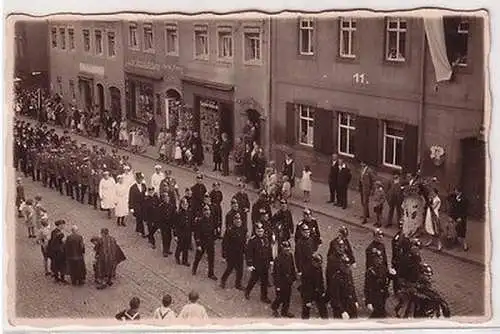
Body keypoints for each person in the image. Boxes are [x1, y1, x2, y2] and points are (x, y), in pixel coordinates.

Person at [244, 223, 273, 303]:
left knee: (264, 281)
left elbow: (269, 250)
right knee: (253, 279)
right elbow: (249, 253)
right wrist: (249, 264)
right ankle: (247, 291)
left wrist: (271, 260)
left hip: (265, 264)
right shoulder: (252, 240)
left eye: (261, 231)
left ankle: (264, 297)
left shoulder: (266, 238)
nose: (260, 233)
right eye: (258, 231)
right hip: (257, 264)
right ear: (255, 231)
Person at [220, 213, 246, 290]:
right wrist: (224, 255)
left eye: (239, 220)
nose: (238, 221)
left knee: (240, 270)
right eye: (237, 220)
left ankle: (238, 284)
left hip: (240, 253)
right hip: (231, 253)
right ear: (234, 221)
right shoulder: (229, 230)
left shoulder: (243, 229)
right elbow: (224, 243)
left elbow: (244, 242)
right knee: (230, 268)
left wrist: (245, 252)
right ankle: (223, 280)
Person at [271, 240, 296, 318]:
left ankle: (285, 311)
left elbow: (292, 267)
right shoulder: (278, 259)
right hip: (281, 282)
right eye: (285, 248)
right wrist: (277, 285)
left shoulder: (290, 255)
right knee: (280, 298)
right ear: (282, 248)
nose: (287, 249)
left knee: (287, 297)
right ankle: (274, 308)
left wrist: (293, 278)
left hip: (288, 281)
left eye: (288, 247)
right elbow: (276, 273)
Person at [364, 246, 391, 318]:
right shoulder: (370, 271)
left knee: (379, 313)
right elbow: (367, 287)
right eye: (378, 258)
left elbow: (388, 276)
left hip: (383, 295)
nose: (380, 259)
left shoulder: (383, 267)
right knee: (378, 314)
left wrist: (393, 274)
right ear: (374, 259)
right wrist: (368, 301)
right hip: (375, 296)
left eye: (381, 258)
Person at [192, 205, 217, 280]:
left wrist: (214, 239)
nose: (207, 212)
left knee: (211, 259)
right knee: (198, 257)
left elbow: (214, 231)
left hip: (210, 242)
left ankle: (211, 273)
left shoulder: (212, 220)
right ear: (203, 212)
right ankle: (194, 269)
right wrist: (198, 245)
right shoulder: (199, 221)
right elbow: (197, 234)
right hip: (202, 242)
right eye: (205, 211)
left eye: (208, 211)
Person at [300, 253, 328, 319]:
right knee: (306, 309)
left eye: (320, 263)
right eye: (318, 263)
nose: (320, 265)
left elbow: (321, 280)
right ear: (313, 262)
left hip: (318, 291)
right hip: (309, 292)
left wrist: (322, 291)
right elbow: (306, 287)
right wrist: (308, 301)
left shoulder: (319, 267)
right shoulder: (307, 271)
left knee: (322, 307)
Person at [174, 198, 192, 266]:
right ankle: (177, 256)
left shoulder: (189, 212)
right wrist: (175, 235)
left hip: (188, 232)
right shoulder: (178, 213)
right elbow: (175, 225)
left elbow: (190, 222)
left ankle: (185, 260)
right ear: (181, 205)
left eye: (186, 204)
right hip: (181, 233)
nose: (185, 205)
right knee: (180, 246)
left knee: (186, 247)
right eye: (184, 204)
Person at [129, 172, 147, 237]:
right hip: (136, 205)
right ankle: (142, 232)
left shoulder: (144, 186)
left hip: (143, 205)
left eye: (141, 179)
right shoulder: (132, 188)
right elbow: (131, 198)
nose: (140, 180)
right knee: (140, 218)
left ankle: (137, 229)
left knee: (139, 218)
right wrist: (131, 207)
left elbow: (145, 194)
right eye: (139, 179)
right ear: (136, 179)